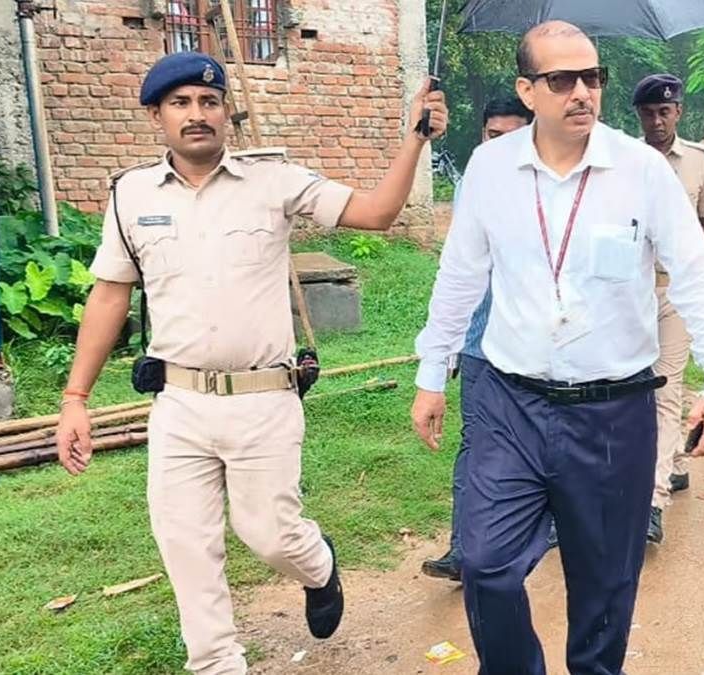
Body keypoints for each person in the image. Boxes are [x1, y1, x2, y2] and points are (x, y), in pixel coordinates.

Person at [53, 51, 449, 674]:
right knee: (185, 544)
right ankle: (217, 663)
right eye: (180, 103)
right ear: (156, 115)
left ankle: (317, 565)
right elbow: (110, 294)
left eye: (209, 102)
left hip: (263, 398)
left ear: (226, 113)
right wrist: (75, 398)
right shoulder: (130, 194)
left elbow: (376, 213)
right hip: (179, 402)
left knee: (270, 534)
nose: (196, 114)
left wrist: (414, 139)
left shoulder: (274, 181)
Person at [409, 21, 704, 674]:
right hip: (511, 402)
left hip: (613, 411)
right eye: (562, 80)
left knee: (605, 582)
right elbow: (460, 275)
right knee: (486, 561)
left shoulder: (640, 170)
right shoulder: (491, 168)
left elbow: (696, 273)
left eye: (593, 77)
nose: (582, 92)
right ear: (526, 90)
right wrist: (432, 369)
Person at [420, 95, 543, 582]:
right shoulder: (475, 181)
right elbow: (457, 273)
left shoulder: (555, 187)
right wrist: (440, 355)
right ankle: (463, 547)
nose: (502, 145)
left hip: (538, 349)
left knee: (541, 445)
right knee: (476, 445)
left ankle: (546, 528)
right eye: (493, 136)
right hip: (479, 343)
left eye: (514, 135)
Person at [633, 72, 704, 545]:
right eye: (648, 113)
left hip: (675, 292)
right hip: (629, 294)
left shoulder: (700, 161)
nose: (657, 121)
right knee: (634, 389)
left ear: (678, 112)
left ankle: (652, 501)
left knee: (665, 390)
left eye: (664, 112)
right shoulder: (623, 162)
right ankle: (675, 462)